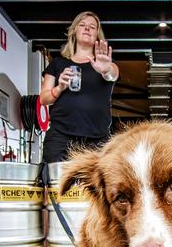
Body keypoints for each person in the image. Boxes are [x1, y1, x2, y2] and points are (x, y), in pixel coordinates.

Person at [39, 11, 119, 163]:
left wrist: (105, 70)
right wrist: (59, 87)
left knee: (95, 186)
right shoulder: (58, 63)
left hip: (96, 140)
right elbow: (44, 99)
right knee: (56, 184)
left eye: (92, 27)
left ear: (97, 35)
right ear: (74, 31)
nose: (87, 28)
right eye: (82, 25)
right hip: (60, 138)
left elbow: (113, 75)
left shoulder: (105, 63)